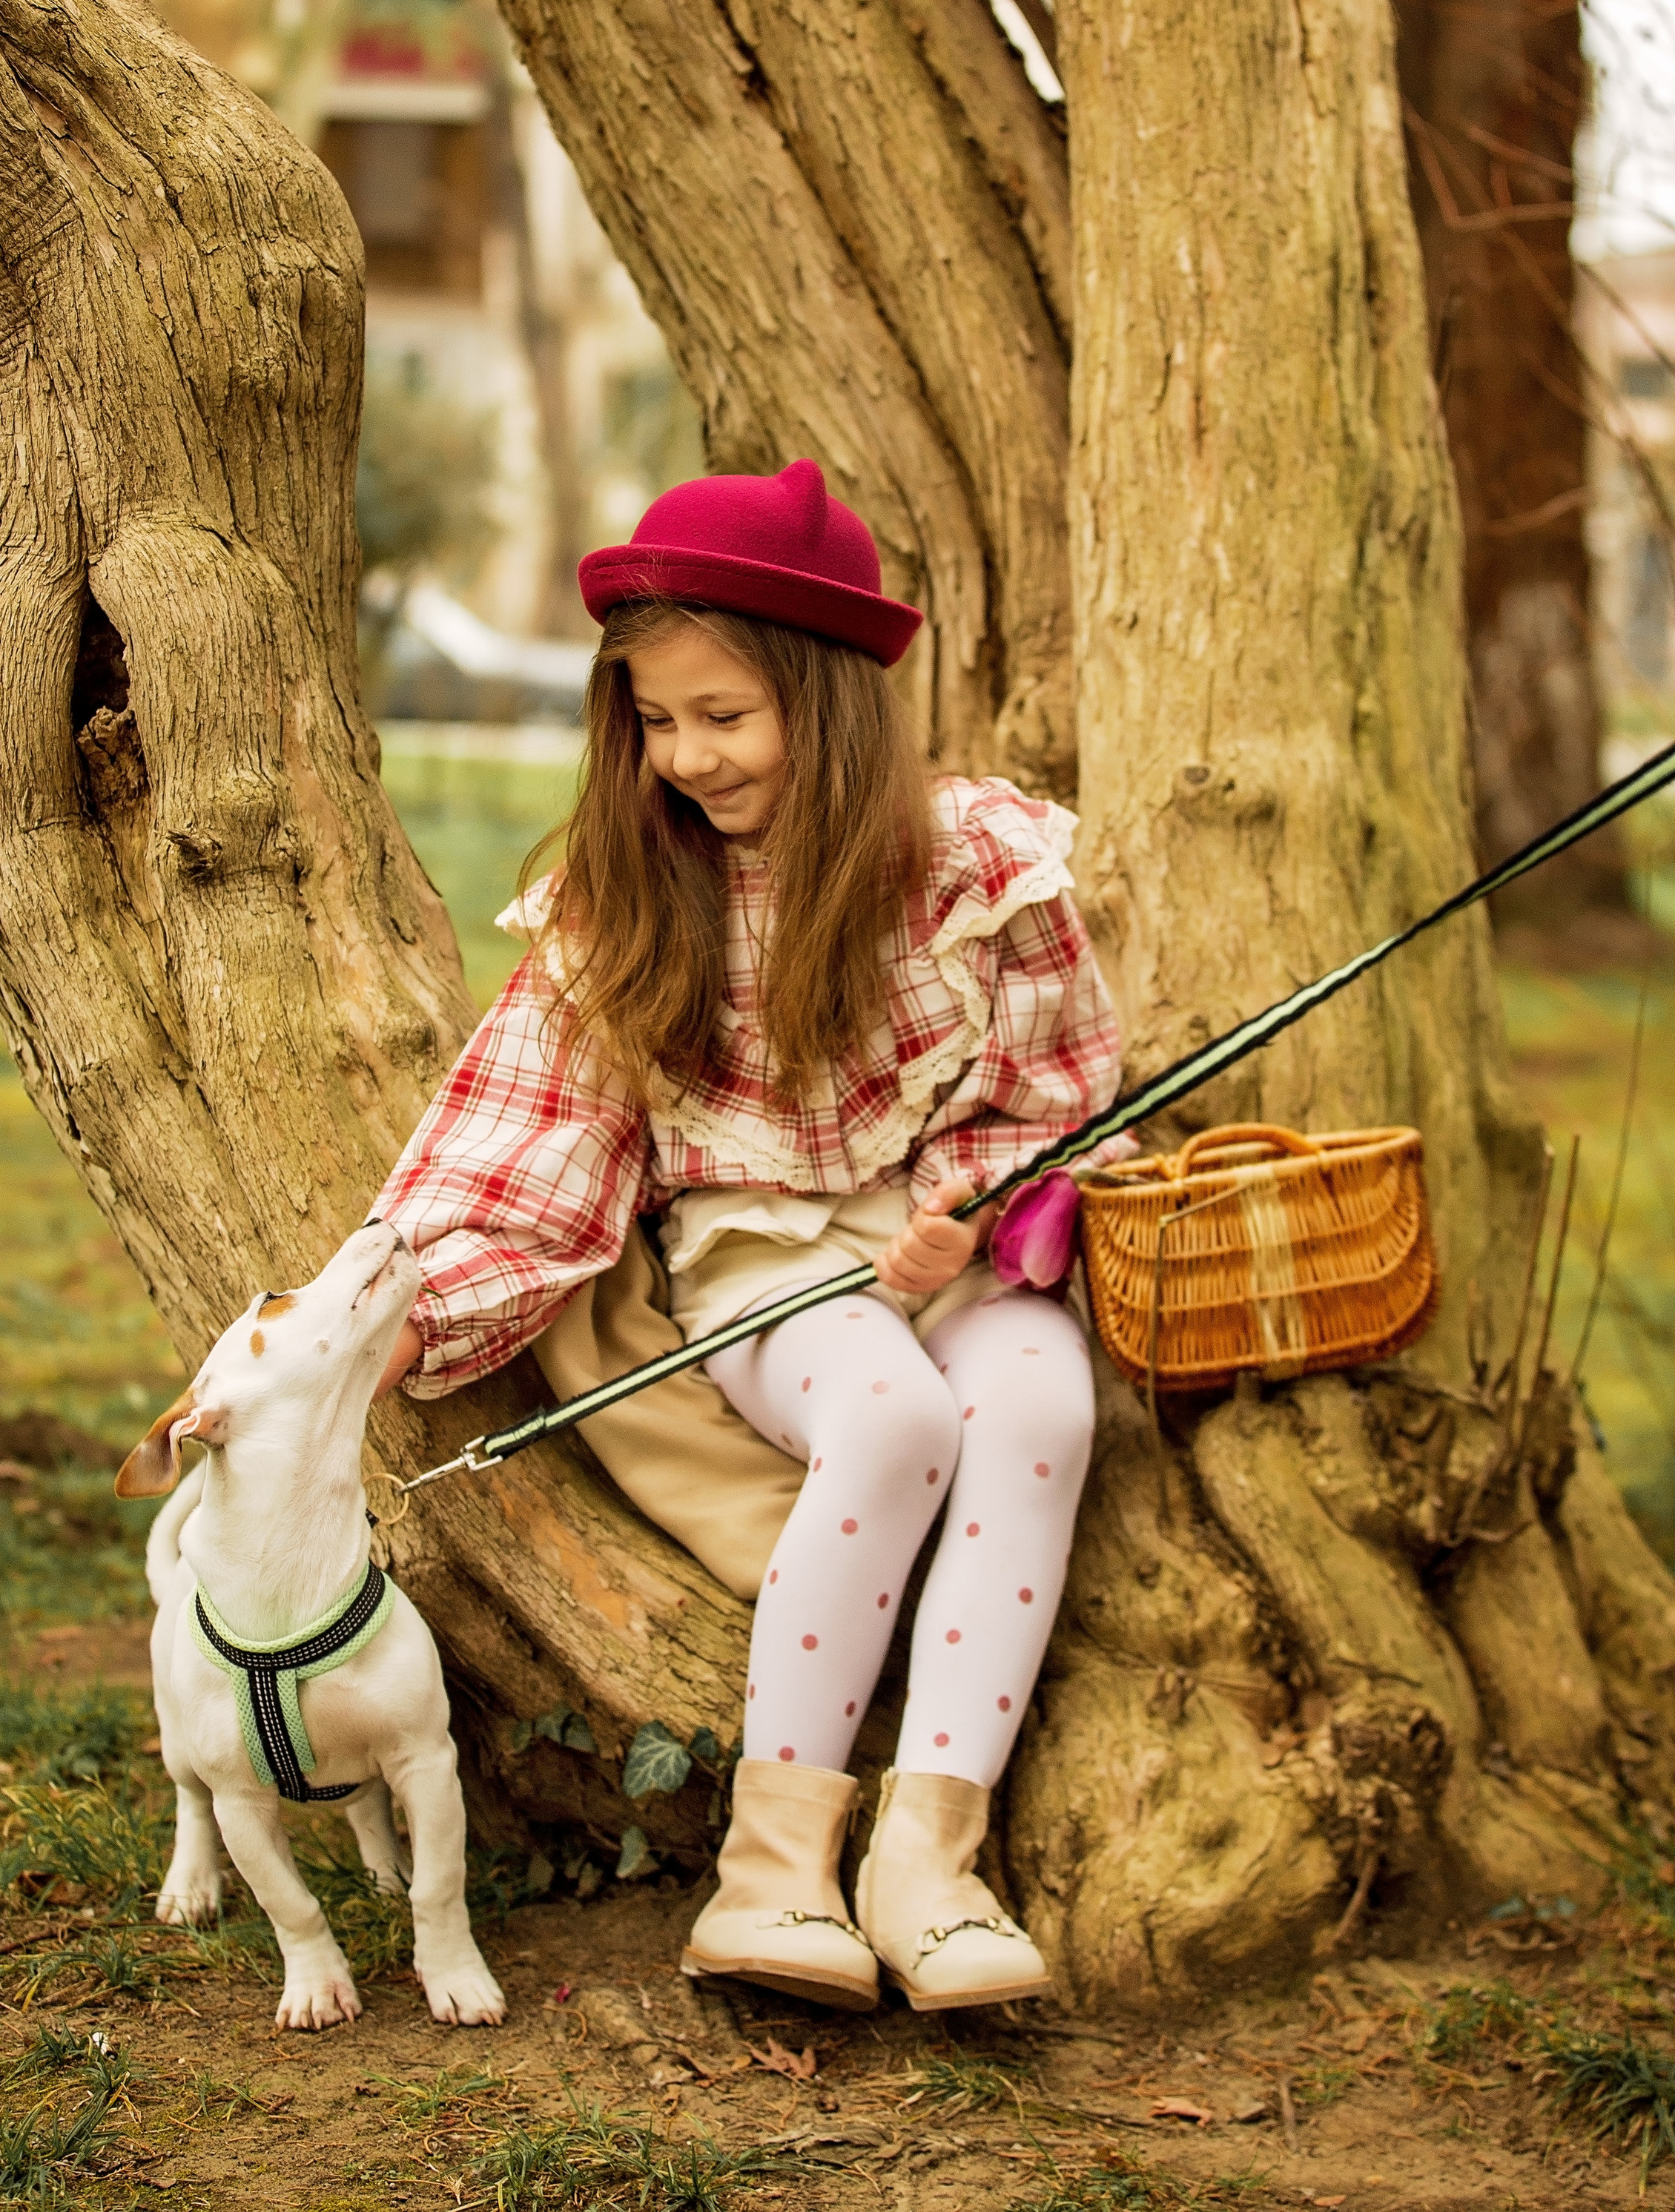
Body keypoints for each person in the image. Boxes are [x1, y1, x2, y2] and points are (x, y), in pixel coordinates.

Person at [371, 459, 1124, 2014]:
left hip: (949, 1246)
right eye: (655, 719)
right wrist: (407, 1308)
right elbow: (530, 1140)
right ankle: (774, 1870)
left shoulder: (977, 859)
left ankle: (930, 1861)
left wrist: (962, 1206)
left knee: (1042, 1404)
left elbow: (1056, 1086)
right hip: (762, 1255)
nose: (685, 756)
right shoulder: (630, 891)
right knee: (894, 1410)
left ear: (829, 701)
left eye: (724, 715)